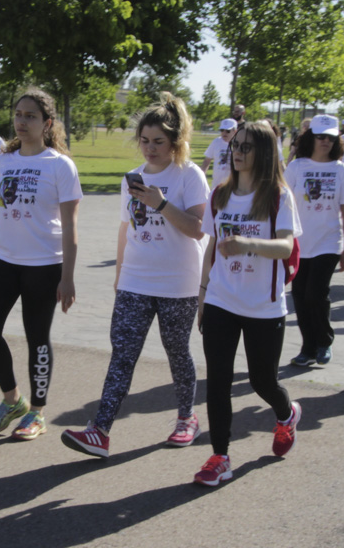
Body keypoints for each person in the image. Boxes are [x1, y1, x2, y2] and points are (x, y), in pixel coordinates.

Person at [61, 93, 208, 458]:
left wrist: (159, 202)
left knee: (177, 352)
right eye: (144, 140)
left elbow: (198, 228)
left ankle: (187, 417)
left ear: (174, 142)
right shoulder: (133, 178)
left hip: (179, 283)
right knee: (122, 355)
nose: (150, 148)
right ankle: (100, 431)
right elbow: (126, 228)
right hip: (135, 281)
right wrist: (120, 272)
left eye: (159, 141)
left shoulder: (189, 174)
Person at [193, 121, 303, 487]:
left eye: (246, 147)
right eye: (234, 146)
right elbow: (211, 247)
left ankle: (286, 413)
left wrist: (246, 244)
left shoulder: (277, 196)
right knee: (218, 382)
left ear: (264, 152)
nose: (236, 152)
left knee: (262, 380)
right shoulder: (220, 194)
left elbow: (286, 247)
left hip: (264, 305)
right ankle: (220, 457)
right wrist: (203, 293)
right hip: (222, 299)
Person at [0, 89, 82, 441]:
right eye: (18, 114)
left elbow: (71, 226)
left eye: (30, 115)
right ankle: (12, 400)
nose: (21, 121)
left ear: (47, 123)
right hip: (3, 261)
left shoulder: (60, 165)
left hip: (44, 266)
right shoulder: (2, 160)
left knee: (37, 339)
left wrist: (68, 277)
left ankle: (37, 412)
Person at [286, 114, 344, 366]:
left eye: (330, 137)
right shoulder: (296, 167)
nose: (325, 141)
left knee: (316, 294)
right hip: (299, 243)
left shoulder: (341, 170)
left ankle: (324, 341)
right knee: (300, 296)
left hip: (328, 243)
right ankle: (308, 347)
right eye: (320, 136)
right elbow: (283, 205)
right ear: (311, 138)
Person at [200, 119, 238, 188]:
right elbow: (206, 161)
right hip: (217, 185)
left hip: (233, 186)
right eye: (222, 130)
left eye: (228, 131)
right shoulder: (216, 142)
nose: (224, 133)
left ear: (235, 131)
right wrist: (201, 176)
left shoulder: (239, 144)